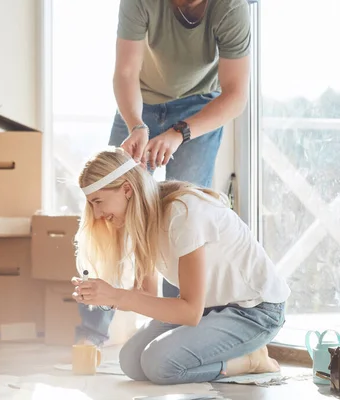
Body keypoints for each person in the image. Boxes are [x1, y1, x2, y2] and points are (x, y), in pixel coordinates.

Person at [75, 0, 252, 346]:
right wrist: (136, 124)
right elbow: (126, 72)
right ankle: (92, 336)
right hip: (139, 102)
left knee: (186, 228)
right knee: (104, 211)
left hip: (201, 106)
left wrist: (180, 132)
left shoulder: (231, 8)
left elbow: (236, 95)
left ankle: (174, 338)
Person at [71, 148, 290, 384]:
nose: (96, 213)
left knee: (159, 365)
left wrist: (117, 295)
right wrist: (106, 297)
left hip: (255, 311)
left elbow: (189, 312)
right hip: (212, 307)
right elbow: (146, 296)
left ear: (126, 189)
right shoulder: (140, 221)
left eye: (98, 201)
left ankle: (250, 361)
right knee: (131, 361)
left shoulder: (182, 213)